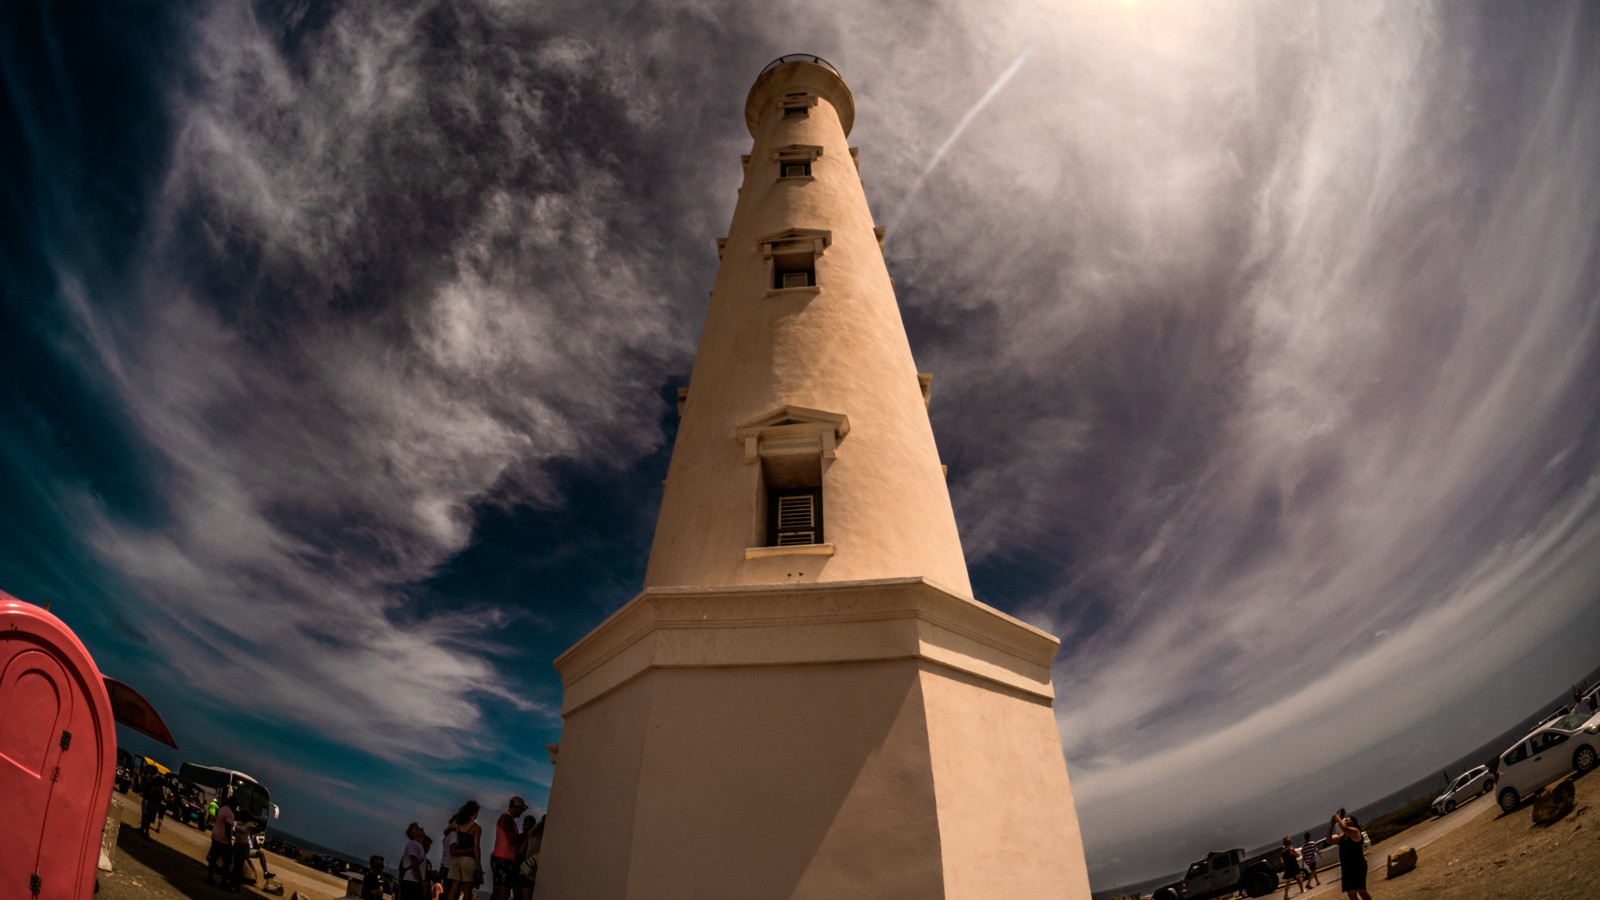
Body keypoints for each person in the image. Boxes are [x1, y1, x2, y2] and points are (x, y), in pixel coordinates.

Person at [490, 796, 529, 900]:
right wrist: (526, 834)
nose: (522, 812)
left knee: (498, 891)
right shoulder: (506, 818)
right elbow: (512, 839)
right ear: (516, 807)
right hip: (503, 859)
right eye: (522, 809)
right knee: (504, 892)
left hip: (501, 859)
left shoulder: (509, 819)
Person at [1327, 811, 1372, 900]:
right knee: (1351, 894)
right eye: (1344, 819)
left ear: (1353, 822)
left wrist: (1337, 818)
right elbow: (1329, 840)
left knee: (1361, 891)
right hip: (1346, 867)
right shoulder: (1342, 837)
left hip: (1358, 865)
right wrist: (1331, 825)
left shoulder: (1356, 832)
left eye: (1347, 819)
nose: (1345, 820)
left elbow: (1345, 829)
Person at [444, 801, 482, 900]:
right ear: (474, 813)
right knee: (467, 891)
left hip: (456, 860)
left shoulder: (458, 823)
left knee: (454, 888)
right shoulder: (476, 828)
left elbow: (447, 830)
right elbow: (476, 848)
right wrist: (478, 866)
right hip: (468, 861)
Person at [205, 792, 237, 887]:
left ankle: (209, 877)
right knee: (227, 861)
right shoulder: (230, 813)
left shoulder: (222, 809)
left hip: (215, 836)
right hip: (223, 840)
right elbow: (228, 828)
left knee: (213, 858)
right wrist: (230, 843)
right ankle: (223, 882)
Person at [400, 822, 430, 900]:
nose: (421, 829)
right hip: (411, 882)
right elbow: (415, 865)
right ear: (413, 834)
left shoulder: (419, 847)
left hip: (415, 883)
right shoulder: (413, 844)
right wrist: (421, 882)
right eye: (417, 828)